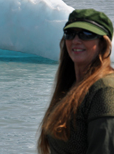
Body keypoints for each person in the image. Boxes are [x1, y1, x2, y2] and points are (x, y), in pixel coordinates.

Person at [38, 9, 114, 154]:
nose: (76, 40)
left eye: (86, 34)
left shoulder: (105, 90)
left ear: (103, 44)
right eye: (70, 33)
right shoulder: (72, 86)